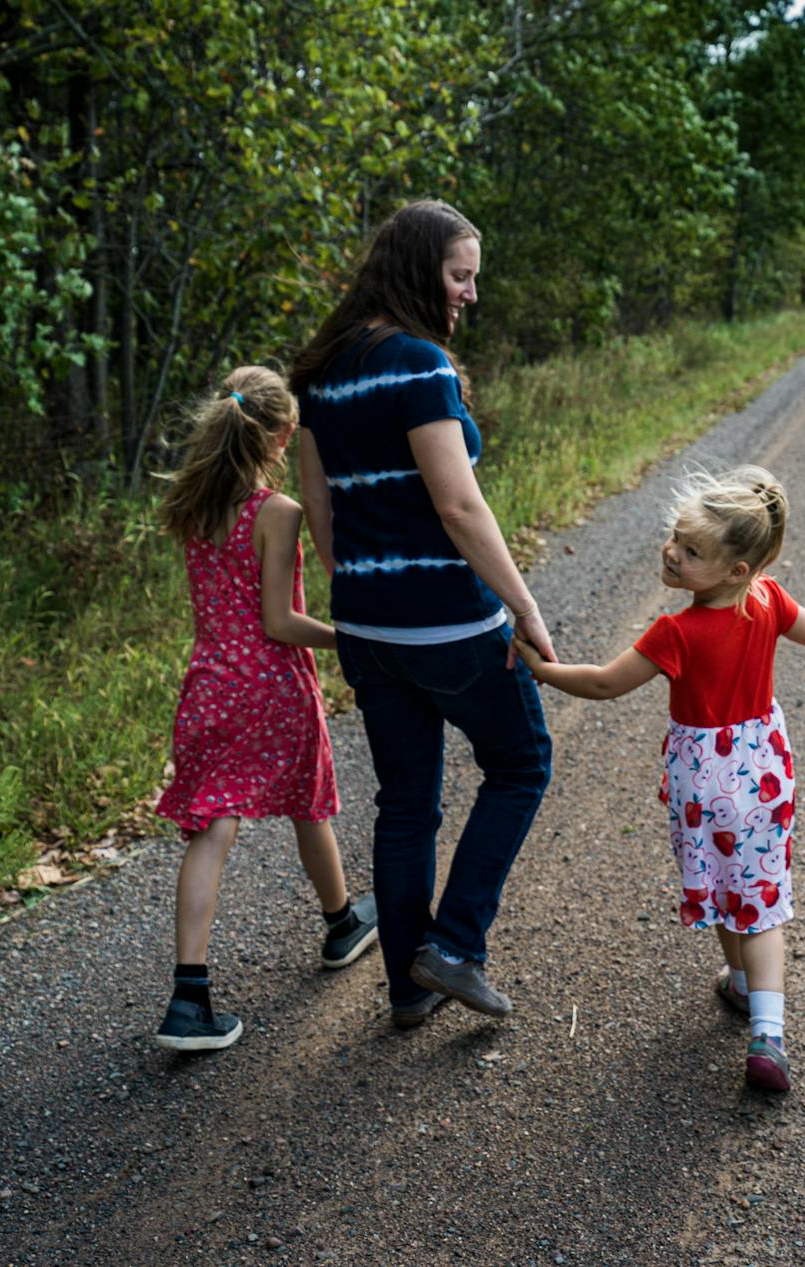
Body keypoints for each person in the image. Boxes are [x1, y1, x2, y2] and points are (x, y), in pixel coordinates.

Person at [514, 466, 805, 1093]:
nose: (672, 551)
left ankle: (746, 988)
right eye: (676, 537)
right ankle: (765, 1024)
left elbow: (606, 683)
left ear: (735, 570)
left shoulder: (677, 632)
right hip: (763, 774)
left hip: (702, 781)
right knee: (762, 892)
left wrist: (542, 670)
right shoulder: (769, 602)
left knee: (724, 876)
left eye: (691, 551)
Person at [291, 201, 557, 1029]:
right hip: (450, 624)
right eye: (459, 274)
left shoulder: (320, 372)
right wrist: (524, 605)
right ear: (417, 271)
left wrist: (369, 593)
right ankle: (455, 945)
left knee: (406, 802)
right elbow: (460, 506)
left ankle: (408, 989)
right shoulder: (418, 366)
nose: (470, 293)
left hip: (367, 628)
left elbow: (319, 511)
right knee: (521, 763)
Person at [151, 365, 378, 1052]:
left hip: (209, 685)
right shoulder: (277, 512)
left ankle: (189, 996)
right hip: (272, 686)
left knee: (212, 831)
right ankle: (340, 922)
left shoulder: (196, 508)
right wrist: (348, 634)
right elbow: (279, 621)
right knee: (310, 803)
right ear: (283, 436)